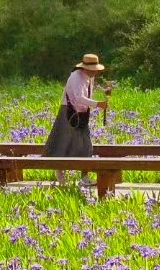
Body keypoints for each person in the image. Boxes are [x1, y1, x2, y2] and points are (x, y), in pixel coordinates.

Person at [44, 52, 110, 185]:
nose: (95, 72)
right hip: (69, 113)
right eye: (93, 69)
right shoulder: (76, 77)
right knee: (63, 144)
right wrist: (98, 104)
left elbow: (90, 88)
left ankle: (84, 177)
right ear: (85, 68)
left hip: (82, 113)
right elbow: (79, 97)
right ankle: (60, 175)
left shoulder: (89, 76)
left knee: (86, 145)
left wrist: (105, 90)